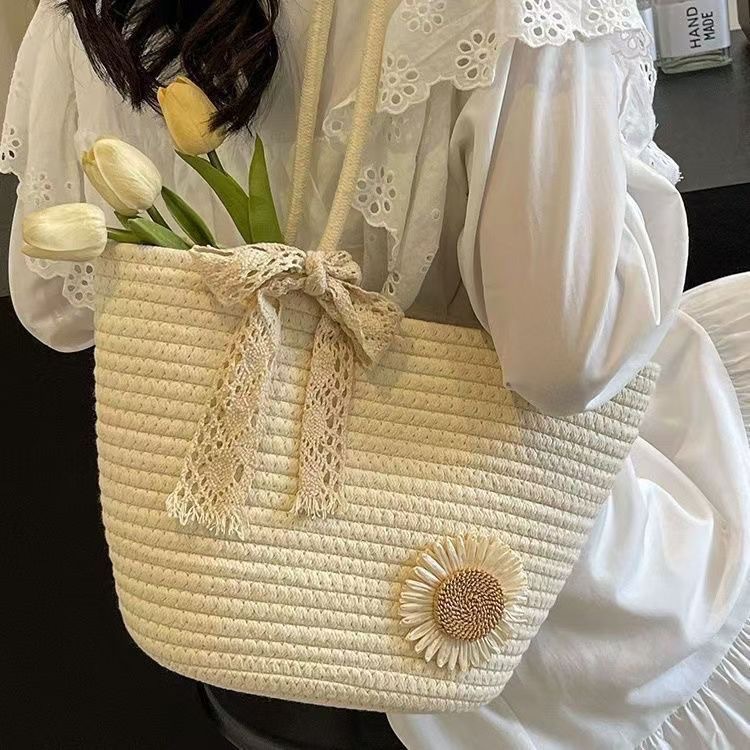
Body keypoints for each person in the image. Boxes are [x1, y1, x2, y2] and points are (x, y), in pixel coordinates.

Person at [3, 1, 749, 746]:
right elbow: (566, 365)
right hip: (533, 615)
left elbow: (52, 308)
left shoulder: (92, 12)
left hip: (237, 600)